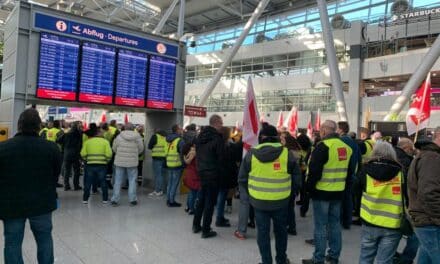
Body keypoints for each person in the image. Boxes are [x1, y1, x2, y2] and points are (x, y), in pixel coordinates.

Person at [0, 108, 62, 264]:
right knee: (45, 239)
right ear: (39, 126)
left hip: (11, 205)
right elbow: (55, 175)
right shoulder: (52, 148)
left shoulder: (3, 148)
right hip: (42, 202)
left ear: (19, 125)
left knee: (12, 243)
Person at [239, 123, 301, 264]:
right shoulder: (286, 153)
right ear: (276, 138)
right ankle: (281, 260)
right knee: (281, 233)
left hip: (258, 202)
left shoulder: (251, 154)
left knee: (263, 233)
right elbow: (297, 178)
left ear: (262, 138)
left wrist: (250, 195)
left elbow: (242, 179)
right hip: (281, 201)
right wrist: (292, 194)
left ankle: (266, 261)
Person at [302, 120, 354, 264]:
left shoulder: (323, 146)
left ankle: (318, 258)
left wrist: (308, 191)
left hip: (321, 193)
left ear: (324, 130)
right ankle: (333, 257)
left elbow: (314, 172)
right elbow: (350, 173)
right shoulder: (346, 148)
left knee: (321, 226)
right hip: (338, 193)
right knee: (335, 225)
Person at [354, 141, 404, 264]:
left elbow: (356, 193)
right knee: (385, 260)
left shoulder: (365, 170)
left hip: (370, 220)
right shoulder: (400, 172)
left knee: (366, 256)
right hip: (393, 223)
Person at [408, 127, 440, 264]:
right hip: (429, 220)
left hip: (426, 218)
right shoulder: (432, 158)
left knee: (426, 257)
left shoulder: (429, 156)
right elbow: (428, 193)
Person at [193, 114, 225, 238]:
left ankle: (196, 225)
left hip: (201, 172)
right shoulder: (217, 138)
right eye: (221, 123)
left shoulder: (200, 136)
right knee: (210, 202)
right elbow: (221, 158)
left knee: (201, 199)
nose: (222, 126)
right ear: (216, 123)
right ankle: (206, 230)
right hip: (213, 174)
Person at [392, 137, 419, 264]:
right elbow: (410, 184)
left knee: (396, 231)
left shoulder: (391, 155)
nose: (412, 150)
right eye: (411, 148)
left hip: (391, 202)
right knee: (414, 235)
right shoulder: (408, 161)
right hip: (406, 202)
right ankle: (406, 259)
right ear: (405, 148)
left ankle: (391, 254)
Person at [111, 123, 144, 206]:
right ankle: (132, 200)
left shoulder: (119, 136)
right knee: (132, 181)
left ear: (124, 128)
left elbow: (114, 148)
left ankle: (115, 200)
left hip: (119, 161)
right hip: (132, 162)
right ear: (133, 129)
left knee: (118, 181)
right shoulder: (137, 137)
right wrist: (135, 154)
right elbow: (141, 148)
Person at [337, 121, 361, 229]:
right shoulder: (354, 142)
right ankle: (347, 221)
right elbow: (359, 159)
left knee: (341, 200)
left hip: (342, 174)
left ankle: (342, 220)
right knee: (348, 198)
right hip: (352, 175)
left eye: (337, 128)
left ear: (341, 130)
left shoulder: (341, 142)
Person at [80, 125, 112, 204]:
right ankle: (105, 199)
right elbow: (109, 154)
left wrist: (87, 159)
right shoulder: (105, 142)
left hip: (90, 164)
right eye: (102, 132)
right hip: (102, 165)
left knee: (88, 182)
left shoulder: (88, 142)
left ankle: (85, 199)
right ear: (99, 133)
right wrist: (106, 161)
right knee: (103, 182)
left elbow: (83, 153)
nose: (103, 133)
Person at [280, 131, 303, 236]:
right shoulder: (298, 152)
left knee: (285, 208)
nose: (281, 141)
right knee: (290, 207)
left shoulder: (287, 153)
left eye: (283, 139)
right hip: (295, 182)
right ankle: (292, 227)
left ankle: (286, 227)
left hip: (288, 182)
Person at [59, 121, 83, 191]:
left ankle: (66, 186)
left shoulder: (66, 134)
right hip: (76, 154)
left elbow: (58, 140)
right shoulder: (79, 134)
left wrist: (64, 145)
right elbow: (80, 145)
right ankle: (76, 186)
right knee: (76, 171)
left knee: (67, 170)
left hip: (67, 154)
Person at [165, 124, 185, 207]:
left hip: (169, 163)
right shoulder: (180, 140)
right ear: (177, 130)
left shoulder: (168, 139)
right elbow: (182, 153)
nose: (182, 130)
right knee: (175, 183)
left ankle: (168, 199)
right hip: (177, 164)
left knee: (170, 183)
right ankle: (172, 201)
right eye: (180, 129)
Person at [148, 129, 168, 196]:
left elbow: (149, 146)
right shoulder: (166, 137)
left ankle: (158, 190)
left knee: (158, 175)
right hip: (165, 158)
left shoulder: (155, 136)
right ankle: (162, 190)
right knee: (162, 175)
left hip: (157, 158)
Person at [182, 143, 200, 215]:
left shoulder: (188, 151)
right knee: (193, 192)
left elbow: (187, 161)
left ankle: (188, 207)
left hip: (189, 173)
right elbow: (188, 161)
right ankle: (191, 209)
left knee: (191, 192)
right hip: (193, 174)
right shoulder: (193, 151)